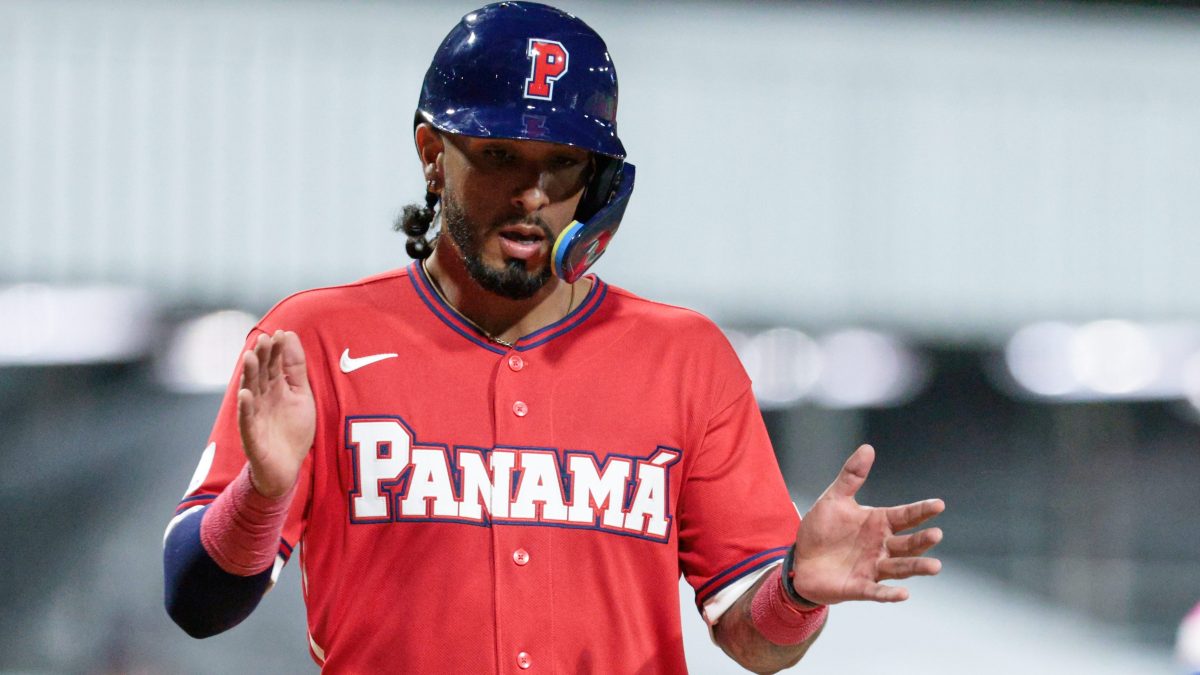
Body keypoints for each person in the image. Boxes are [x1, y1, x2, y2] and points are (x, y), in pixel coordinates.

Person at [162, 3, 945, 673]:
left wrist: (797, 592)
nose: (533, 191)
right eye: (501, 156)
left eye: (563, 162)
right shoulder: (316, 341)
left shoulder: (685, 359)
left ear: (600, 181)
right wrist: (262, 494)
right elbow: (196, 601)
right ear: (434, 155)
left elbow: (754, 639)